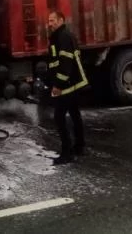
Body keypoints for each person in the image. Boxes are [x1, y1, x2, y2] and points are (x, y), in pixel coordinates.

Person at [46, 10, 89, 165]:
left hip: (67, 84)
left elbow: (65, 63)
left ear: (61, 20)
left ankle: (67, 153)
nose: (50, 24)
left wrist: (58, 85)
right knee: (75, 114)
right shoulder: (63, 36)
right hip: (73, 82)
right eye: (49, 21)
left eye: (53, 21)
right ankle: (79, 146)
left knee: (59, 117)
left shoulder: (63, 37)